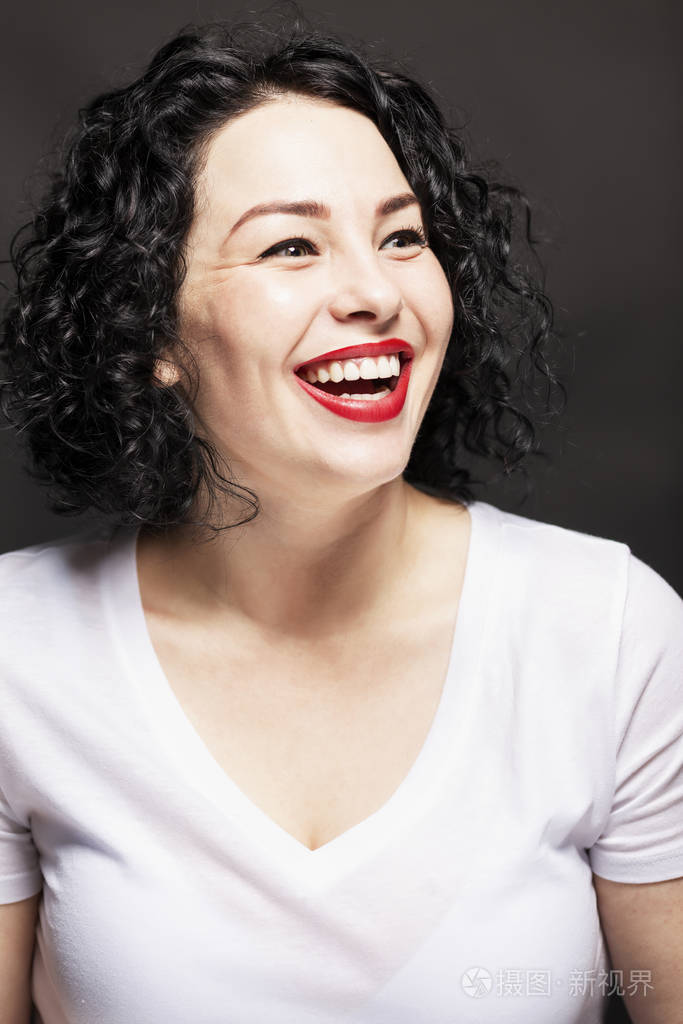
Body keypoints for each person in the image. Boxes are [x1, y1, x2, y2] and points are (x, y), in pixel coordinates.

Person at [0, 16, 681, 1024]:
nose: (375, 291)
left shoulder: (610, 630)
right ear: (151, 330)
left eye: (400, 235)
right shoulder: (19, 650)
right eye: (290, 245)